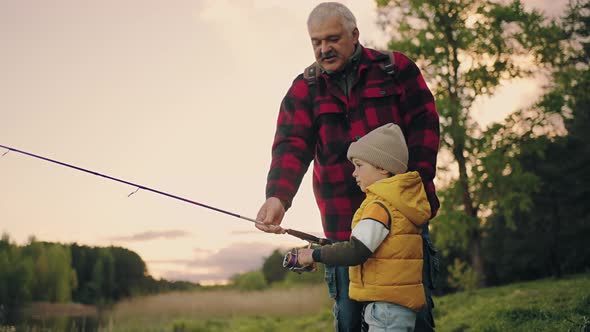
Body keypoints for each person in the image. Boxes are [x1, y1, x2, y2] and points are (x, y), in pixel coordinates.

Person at [255, 2, 440, 331]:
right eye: (316, 42)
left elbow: (424, 126)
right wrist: (277, 197)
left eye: (332, 39)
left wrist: (412, 191)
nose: (323, 49)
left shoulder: (395, 69)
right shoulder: (305, 88)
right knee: (350, 318)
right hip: (343, 224)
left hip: (401, 223)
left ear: (355, 35)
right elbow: (291, 144)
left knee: (412, 315)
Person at [296, 123, 430, 331]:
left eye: (359, 165)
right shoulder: (402, 202)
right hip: (399, 308)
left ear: (383, 167)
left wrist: (313, 255)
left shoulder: (379, 207)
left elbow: (357, 251)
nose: (354, 173)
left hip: (385, 311)